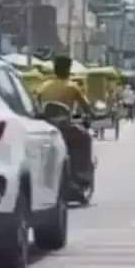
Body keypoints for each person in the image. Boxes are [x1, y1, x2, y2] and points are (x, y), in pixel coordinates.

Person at [35, 55, 94, 184]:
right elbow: (87, 107)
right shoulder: (73, 87)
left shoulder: (44, 86)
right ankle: (82, 173)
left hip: (46, 128)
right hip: (64, 127)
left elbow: (36, 103)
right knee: (85, 138)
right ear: (68, 69)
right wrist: (90, 116)